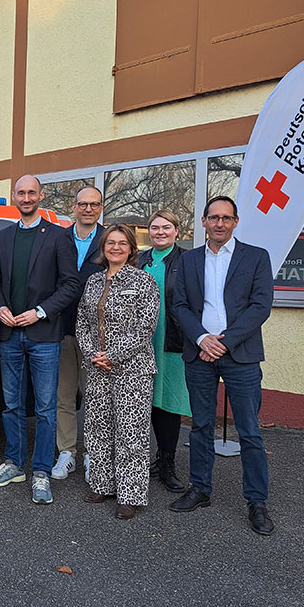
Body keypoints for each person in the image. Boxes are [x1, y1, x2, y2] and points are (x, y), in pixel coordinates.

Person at [169, 196, 275, 535]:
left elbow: (260, 307)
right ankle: (200, 489)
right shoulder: (189, 260)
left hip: (240, 355)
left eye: (226, 218)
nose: (219, 223)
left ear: (235, 222)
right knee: (200, 425)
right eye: (213, 218)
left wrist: (223, 341)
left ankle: (256, 502)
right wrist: (202, 339)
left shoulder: (256, 257)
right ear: (203, 222)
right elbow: (179, 305)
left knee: (249, 431)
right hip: (200, 353)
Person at [0, 175, 80, 505]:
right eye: (20, 192)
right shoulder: (2, 236)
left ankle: (41, 470)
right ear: (13, 196)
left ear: (40, 196)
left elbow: (70, 286)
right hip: (11, 333)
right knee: (11, 404)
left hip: (44, 335)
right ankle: (14, 463)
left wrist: (40, 312)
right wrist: (0, 305)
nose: (26, 197)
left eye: (31, 192)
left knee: (44, 408)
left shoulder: (58, 237)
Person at [76, 225, 160, 520]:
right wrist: (92, 354)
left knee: (131, 431)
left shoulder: (143, 280)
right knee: (97, 427)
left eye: (121, 243)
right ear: (103, 247)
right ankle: (102, 483)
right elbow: (82, 324)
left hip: (132, 368)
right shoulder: (93, 282)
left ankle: (130, 494)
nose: (115, 248)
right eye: (110, 242)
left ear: (131, 248)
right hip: (97, 368)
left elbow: (145, 327)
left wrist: (112, 355)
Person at [54, 186, 105, 483]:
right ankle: (67, 452)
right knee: (64, 395)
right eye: (83, 204)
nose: (88, 209)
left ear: (101, 208)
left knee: (95, 396)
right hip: (61, 330)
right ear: (73, 207)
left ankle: (94, 456)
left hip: (97, 334)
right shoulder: (59, 238)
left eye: (94, 204)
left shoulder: (109, 240)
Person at [138, 209, 190, 492]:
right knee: (143, 403)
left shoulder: (188, 260)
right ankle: (140, 459)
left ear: (177, 231)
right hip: (141, 344)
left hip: (171, 343)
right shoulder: (139, 260)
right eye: (155, 227)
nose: (160, 232)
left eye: (166, 227)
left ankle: (167, 462)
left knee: (168, 404)